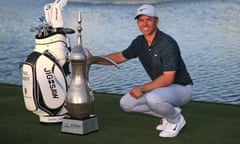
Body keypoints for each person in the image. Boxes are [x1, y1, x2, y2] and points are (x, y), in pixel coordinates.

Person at [90, 4, 193, 138]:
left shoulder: (167, 43)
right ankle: (171, 113)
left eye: (148, 19)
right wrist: (93, 59)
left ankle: (176, 120)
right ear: (138, 23)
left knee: (153, 98)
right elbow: (119, 57)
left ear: (156, 21)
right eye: (141, 20)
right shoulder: (139, 42)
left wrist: (143, 88)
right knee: (126, 103)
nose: (144, 24)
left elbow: (168, 78)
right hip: (162, 88)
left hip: (181, 88)